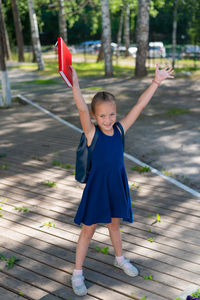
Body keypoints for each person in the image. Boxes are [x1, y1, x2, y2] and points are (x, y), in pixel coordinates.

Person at [71, 65, 174, 296]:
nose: (108, 120)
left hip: (116, 185)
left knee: (114, 224)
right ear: (95, 117)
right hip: (98, 188)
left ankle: (120, 258)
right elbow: (80, 109)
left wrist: (156, 82)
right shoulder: (92, 133)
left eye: (112, 114)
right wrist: (75, 85)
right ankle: (77, 272)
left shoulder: (120, 130)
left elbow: (139, 105)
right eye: (102, 116)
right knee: (88, 230)